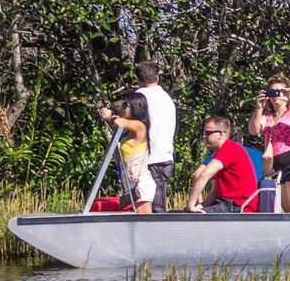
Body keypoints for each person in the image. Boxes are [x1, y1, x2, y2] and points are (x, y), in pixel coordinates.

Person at [248, 74, 290, 211]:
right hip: (277, 166)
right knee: (286, 211)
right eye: (273, 92)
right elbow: (253, 130)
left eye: (280, 91)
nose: (276, 95)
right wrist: (259, 108)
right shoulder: (268, 116)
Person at [184, 116, 259, 213]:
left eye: (208, 133)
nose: (204, 136)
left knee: (193, 218)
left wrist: (190, 206)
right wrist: (198, 207)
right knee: (192, 214)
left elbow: (203, 175)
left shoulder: (230, 149)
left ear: (220, 134)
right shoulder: (219, 153)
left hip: (238, 206)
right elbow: (215, 193)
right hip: (227, 204)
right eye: (204, 133)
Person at [96, 92, 155, 214]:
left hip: (141, 185)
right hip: (131, 186)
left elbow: (119, 122)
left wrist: (110, 115)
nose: (123, 108)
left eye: (126, 105)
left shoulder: (140, 126)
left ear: (135, 107)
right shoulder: (126, 133)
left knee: (144, 227)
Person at [135, 61, 177, 211]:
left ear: (139, 79)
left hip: (149, 159)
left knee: (148, 207)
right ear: (157, 77)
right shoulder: (166, 98)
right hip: (165, 156)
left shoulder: (138, 97)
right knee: (156, 206)